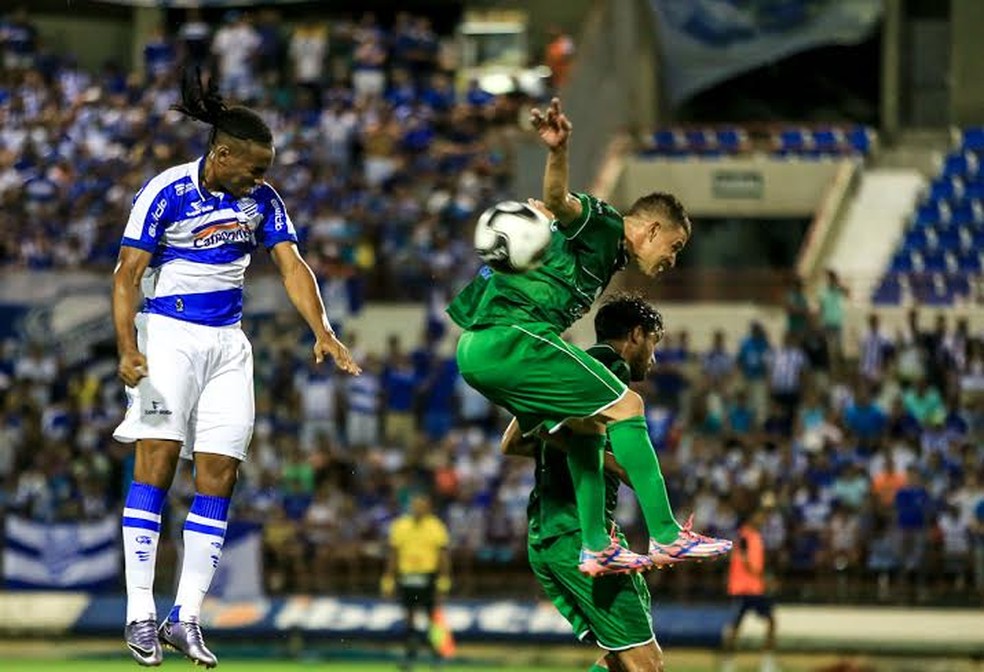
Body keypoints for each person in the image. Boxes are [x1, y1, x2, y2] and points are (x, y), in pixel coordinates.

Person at [112, 69, 360, 668]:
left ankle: (186, 617)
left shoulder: (263, 202)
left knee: (221, 472)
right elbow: (125, 274)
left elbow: (293, 265)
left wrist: (322, 330)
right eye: (255, 167)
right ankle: (139, 613)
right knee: (159, 459)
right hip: (167, 335)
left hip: (228, 344)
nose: (262, 178)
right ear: (221, 154)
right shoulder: (166, 191)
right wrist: (127, 347)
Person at [447, 97, 730, 577]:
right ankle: (666, 535)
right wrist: (559, 150)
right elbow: (559, 201)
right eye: (674, 247)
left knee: (587, 425)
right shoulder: (604, 227)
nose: (673, 260)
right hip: (511, 338)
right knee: (628, 406)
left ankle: (596, 548)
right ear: (653, 228)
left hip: (482, 350)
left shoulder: (601, 254)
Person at [503, 295, 669, 672]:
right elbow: (631, 471)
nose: (653, 359)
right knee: (647, 665)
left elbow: (510, 443)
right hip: (582, 534)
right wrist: (597, 454)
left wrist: (567, 441)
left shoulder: (564, 369)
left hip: (545, 537)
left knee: (620, 659)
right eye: (653, 345)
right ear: (636, 336)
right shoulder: (613, 381)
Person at [381, 493, 453, 672]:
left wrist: (444, 580)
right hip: (406, 576)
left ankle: (438, 656)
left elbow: (443, 557)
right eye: (415, 505)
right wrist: (388, 579)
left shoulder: (436, 527)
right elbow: (393, 555)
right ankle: (410, 656)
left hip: (428, 576)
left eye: (422, 505)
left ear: (428, 507)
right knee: (409, 619)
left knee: (433, 618)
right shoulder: (400, 526)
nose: (418, 509)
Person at [721, 505, 778, 672]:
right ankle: (729, 662)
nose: (762, 519)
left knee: (764, 623)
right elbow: (747, 562)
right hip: (744, 588)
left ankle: (732, 663)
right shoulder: (745, 536)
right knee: (736, 627)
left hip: (754, 588)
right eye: (759, 515)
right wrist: (765, 579)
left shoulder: (754, 536)